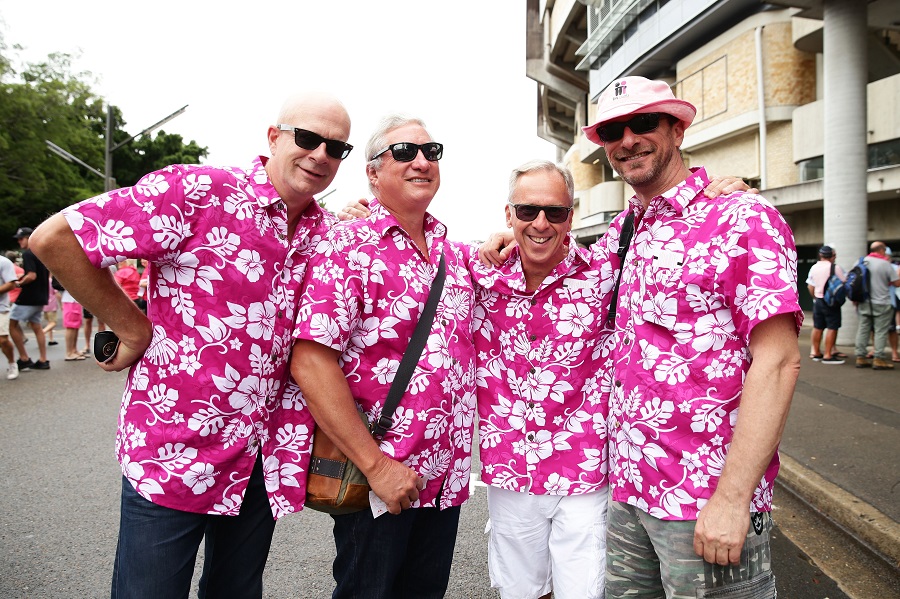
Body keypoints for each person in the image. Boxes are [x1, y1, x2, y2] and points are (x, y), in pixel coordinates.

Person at [29, 91, 352, 598]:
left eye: (337, 149)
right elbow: (56, 239)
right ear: (273, 138)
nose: (320, 156)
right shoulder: (199, 191)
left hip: (261, 458)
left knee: (236, 591)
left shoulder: (325, 232)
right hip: (175, 448)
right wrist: (132, 328)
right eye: (308, 139)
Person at [577, 76, 802, 598]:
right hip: (629, 494)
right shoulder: (624, 230)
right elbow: (561, 278)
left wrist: (732, 499)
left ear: (677, 129)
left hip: (704, 502)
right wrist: (509, 236)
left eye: (644, 123)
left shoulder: (742, 218)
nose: (627, 139)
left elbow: (778, 363)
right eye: (613, 129)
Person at [289, 114, 476, 599]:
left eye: (430, 152)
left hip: (443, 480)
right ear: (372, 173)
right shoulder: (348, 247)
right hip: (377, 479)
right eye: (404, 152)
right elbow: (311, 362)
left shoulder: (452, 255)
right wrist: (376, 466)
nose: (421, 161)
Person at [470, 160, 611, 599]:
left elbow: (658, 214)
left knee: (584, 593)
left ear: (573, 215)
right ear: (508, 215)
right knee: (521, 593)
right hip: (510, 471)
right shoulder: (476, 276)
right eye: (528, 211)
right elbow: (410, 249)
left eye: (555, 212)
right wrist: (356, 213)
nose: (541, 223)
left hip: (585, 474)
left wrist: (723, 190)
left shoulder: (606, 275)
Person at [9, 227, 51, 371]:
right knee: (36, 326)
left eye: (21, 238)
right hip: (41, 296)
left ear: (29, 237)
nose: (19, 241)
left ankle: (24, 358)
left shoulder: (28, 254)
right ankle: (43, 359)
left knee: (11, 324)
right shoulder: (41, 253)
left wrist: (18, 283)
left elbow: (32, 275)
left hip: (29, 297)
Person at [854, 241, 900, 370]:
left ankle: (860, 357)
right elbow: (896, 283)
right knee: (880, 331)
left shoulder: (860, 262)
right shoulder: (885, 264)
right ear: (881, 250)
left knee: (863, 329)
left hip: (864, 302)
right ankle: (879, 359)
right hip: (882, 302)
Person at [805, 245, 846, 364]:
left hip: (818, 300)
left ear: (821, 255)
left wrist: (815, 297)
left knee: (818, 327)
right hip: (831, 302)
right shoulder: (835, 268)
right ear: (832, 256)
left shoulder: (814, 267)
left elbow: (810, 286)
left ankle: (816, 352)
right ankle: (828, 355)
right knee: (832, 327)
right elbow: (844, 282)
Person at [0, 253, 20, 380]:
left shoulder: (3, 262)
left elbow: (11, 284)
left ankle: (12, 363)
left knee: (2, 340)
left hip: (1, 308)